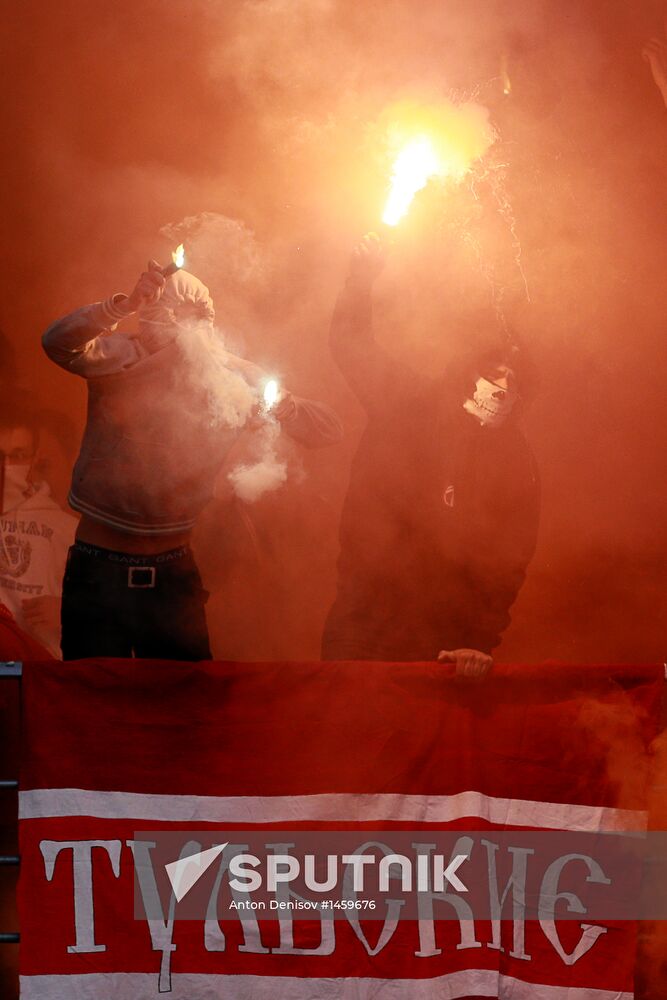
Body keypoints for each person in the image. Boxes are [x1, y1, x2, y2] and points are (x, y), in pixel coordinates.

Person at [42, 259, 342, 660]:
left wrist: (282, 405)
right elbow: (57, 342)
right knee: (92, 699)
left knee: (185, 704)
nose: (153, 325)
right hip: (98, 572)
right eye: (149, 314)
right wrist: (121, 306)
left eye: (167, 314)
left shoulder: (229, 377)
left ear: (200, 321)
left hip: (172, 575)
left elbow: (328, 431)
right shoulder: (122, 357)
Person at [321, 233, 540, 678]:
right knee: (351, 737)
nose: (504, 389)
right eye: (496, 372)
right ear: (469, 369)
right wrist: (360, 278)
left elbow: (510, 560)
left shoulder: (515, 458)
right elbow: (351, 345)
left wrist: (477, 641)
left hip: (446, 640)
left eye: (515, 381)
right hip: (363, 623)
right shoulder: (408, 399)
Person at [0, 393, 77, 656]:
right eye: (1, 456)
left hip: (43, 672)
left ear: (33, 459)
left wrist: (68, 610)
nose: (8, 467)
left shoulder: (66, 529)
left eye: (18, 455)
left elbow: (115, 609)